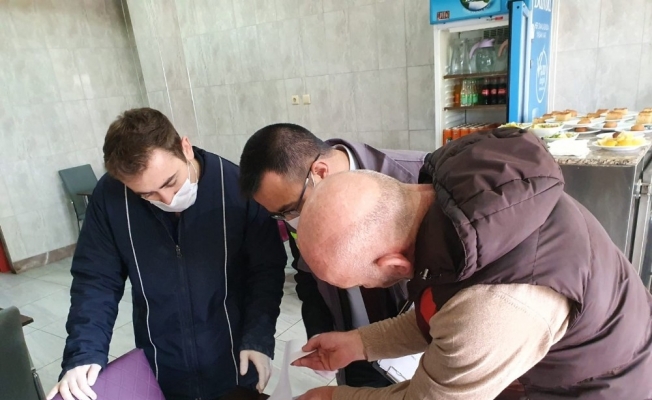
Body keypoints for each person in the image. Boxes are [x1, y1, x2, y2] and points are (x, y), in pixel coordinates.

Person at [292, 128, 652, 400]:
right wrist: (359, 343)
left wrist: (335, 397)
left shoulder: (494, 308)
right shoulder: (454, 209)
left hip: (600, 388)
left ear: (396, 265)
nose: (362, 288)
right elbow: (443, 312)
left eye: (361, 282)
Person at [47, 108, 287, 400]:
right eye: (147, 194)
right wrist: (84, 352)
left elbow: (266, 271)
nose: (168, 199)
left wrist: (259, 337)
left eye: (170, 182)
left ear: (185, 147)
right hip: (161, 366)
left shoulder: (236, 188)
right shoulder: (112, 199)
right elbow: (96, 280)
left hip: (234, 359)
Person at [238, 124, 427, 387]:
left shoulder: (420, 177)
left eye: (290, 210)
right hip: (351, 350)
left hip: (421, 355)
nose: (291, 222)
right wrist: (321, 331)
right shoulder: (298, 208)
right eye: (279, 215)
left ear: (320, 173)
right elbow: (307, 276)